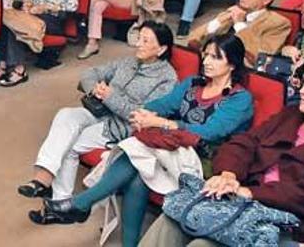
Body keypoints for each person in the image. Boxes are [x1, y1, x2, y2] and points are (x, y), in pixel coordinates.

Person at [32, 35, 253, 247]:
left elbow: (210, 132)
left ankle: (80, 204)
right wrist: (143, 114)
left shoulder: (239, 98)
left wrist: (162, 123)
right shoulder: (193, 83)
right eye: (205, 55)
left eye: (215, 57)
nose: (206, 61)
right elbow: (164, 104)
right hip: (172, 146)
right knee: (139, 175)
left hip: (203, 158)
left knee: (139, 159)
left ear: (232, 64)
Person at [139, 58, 304, 246]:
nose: (303, 91)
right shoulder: (290, 115)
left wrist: (250, 192)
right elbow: (244, 142)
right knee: (173, 219)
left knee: (202, 243)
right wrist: (229, 174)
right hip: (239, 198)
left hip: (285, 217)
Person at [16, 21, 176, 203]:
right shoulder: (129, 61)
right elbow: (90, 73)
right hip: (98, 112)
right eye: (139, 38)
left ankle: (60, 200)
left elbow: (144, 116)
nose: (138, 44)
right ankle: (42, 178)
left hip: (120, 127)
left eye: (145, 41)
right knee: (66, 114)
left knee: (72, 144)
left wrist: (110, 97)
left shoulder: (167, 79)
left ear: (161, 49)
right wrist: (95, 89)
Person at [189, 0, 291, 66]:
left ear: (267, 0)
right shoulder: (231, 12)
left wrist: (239, 24)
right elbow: (192, 39)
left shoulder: (278, 23)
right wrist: (218, 21)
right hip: (208, 63)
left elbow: (260, 59)